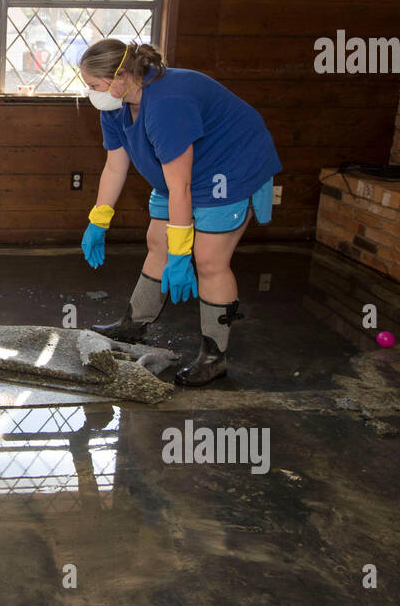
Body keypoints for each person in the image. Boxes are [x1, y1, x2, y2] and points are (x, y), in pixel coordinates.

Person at [78, 40, 282, 386]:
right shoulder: (114, 106)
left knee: (208, 260)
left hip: (230, 169)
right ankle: (135, 324)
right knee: (157, 241)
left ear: (122, 76)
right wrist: (98, 220)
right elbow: (115, 166)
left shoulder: (166, 105)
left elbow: (181, 187)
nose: (91, 93)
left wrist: (181, 254)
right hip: (185, 173)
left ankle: (214, 356)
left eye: (95, 85)